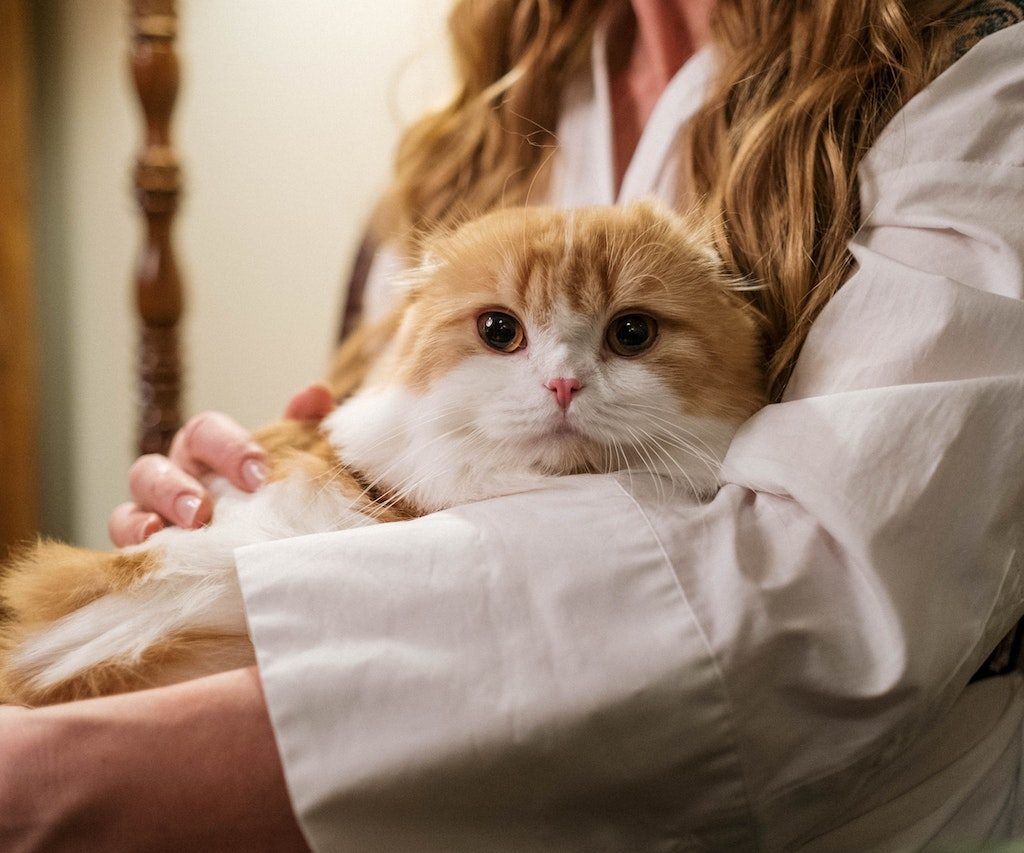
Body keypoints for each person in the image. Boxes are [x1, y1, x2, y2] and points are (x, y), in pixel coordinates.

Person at [4, 0, 1024, 849]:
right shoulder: (477, 126)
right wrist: (251, 492)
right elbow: (391, 443)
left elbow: (825, 614)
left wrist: (76, 769)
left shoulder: (973, 84)